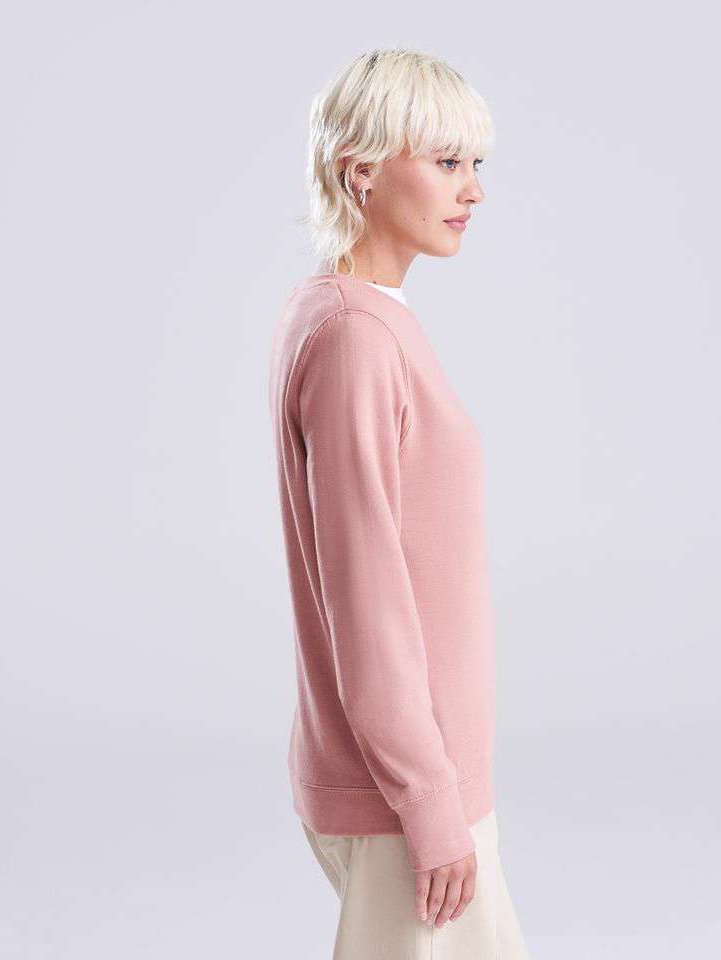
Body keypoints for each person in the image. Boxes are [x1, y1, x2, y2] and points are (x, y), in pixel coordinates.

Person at [269, 48, 531, 958]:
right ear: (362, 172)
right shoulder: (354, 335)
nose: (473, 190)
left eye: (476, 163)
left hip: (422, 781)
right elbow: (366, 597)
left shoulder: (361, 316)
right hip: (406, 795)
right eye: (448, 161)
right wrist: (428, 801)